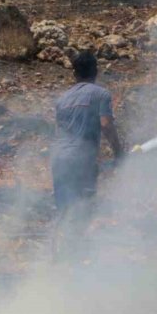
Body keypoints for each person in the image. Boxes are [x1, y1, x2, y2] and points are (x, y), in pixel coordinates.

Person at [52, 51, 124, 229]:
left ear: (75, 73)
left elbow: (58, 132)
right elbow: (106, 125)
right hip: (81, 160)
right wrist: (119, 153)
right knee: (83, 208)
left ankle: (58, 252)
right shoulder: (101, 94)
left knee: (64, 210)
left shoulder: (62, 100)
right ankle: (80, 252)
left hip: (58, 159)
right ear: (96, 71)